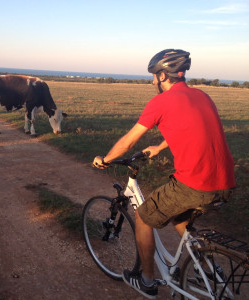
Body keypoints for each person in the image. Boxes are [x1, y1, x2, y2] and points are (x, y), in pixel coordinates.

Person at [93, 49, 235, 299]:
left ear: (162, 75)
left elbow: (128, 142)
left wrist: (105, 159)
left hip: (195, 185)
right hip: (225, 183)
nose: (152, 82)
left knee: (145, 217)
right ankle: (208, 269)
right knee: (179, 218)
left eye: (153, 76)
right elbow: (192, 127)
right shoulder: (202, 95)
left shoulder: (160, 102)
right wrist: (159, 146)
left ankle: (147, 282)